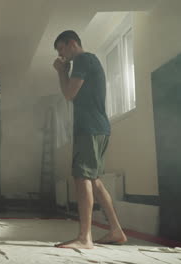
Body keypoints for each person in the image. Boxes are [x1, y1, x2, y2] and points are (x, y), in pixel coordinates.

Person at [53, 30, 127, 249]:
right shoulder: (89, 61)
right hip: (99, 128)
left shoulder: (83, 59)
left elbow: (68, 94)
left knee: (82, 177)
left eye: (61, 49)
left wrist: (61, 72)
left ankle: (85, 238)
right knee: (94, 179)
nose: (61, 55)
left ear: (72, 43)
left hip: (90, 129)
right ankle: (116, 231)